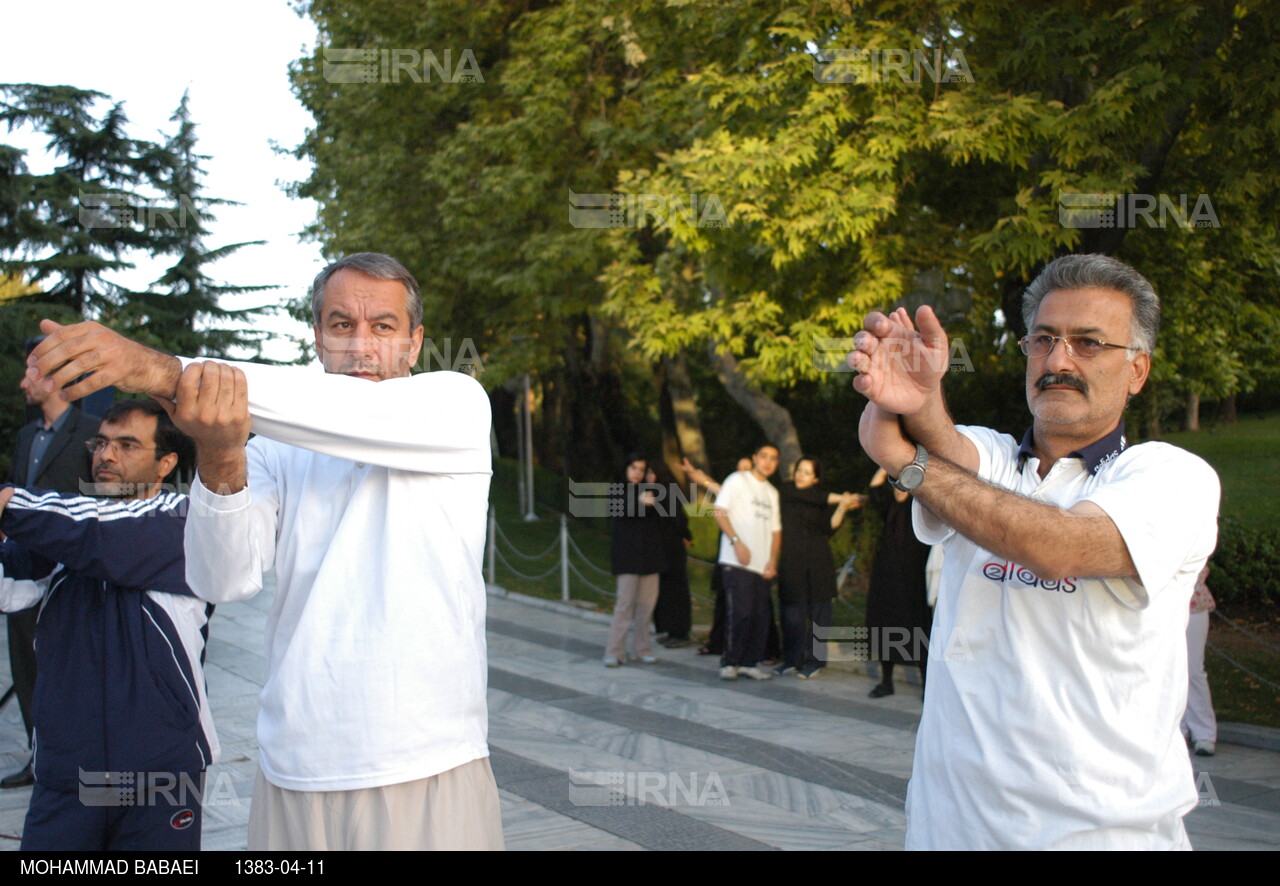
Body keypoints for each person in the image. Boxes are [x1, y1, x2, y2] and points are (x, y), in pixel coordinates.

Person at [24, 252, 503, 851]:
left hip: (425, 758)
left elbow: (357, 412)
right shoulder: (277, 449)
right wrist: (223, 454)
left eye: (383, 327)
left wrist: (162, 370)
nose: (360, 346)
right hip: (292, 764)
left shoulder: (455, 404)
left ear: (414, 344)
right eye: (340, 325)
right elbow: (221, 579)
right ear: (318, 339)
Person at [850, 253, 1219, 850]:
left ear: (1138, 370)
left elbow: (1060, 547)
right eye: (1043, 340)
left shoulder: (1171, 477)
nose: (1059, 360)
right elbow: (947, 444)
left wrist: (908, 464)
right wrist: (918, 402)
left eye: (1089, 343)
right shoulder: (993, 458)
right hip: (948, 831)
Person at [0, 400, 216, 850]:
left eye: (126, 445)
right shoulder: (68, 526)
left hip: (161, 775)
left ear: (166, 462)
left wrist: (9, 502)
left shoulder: (185, 523)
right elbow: (11, 586)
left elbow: (102, 536)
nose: (106, 456)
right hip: (66, 774)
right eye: (100, 443)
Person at [1, 352, 101, 790]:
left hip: (69, 572)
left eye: (32, 374)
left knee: (72, 667)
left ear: (56, 380)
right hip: (23, 568)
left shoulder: (92, 434)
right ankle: (38, 758)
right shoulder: (27, 435)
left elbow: (100, 501)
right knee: (26, 666)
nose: (24, 383)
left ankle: (75, 758)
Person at [776, 457, 860, 678]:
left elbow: (828, 528)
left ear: (815, 478)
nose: (800, 475)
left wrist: (842, 507)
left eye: (806, 472)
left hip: (818, 563)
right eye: (799, 470)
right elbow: (809, 495)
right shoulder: (786, 491)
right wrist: (842, 498)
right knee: (791, 616)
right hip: (791, 563)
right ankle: (791, 659)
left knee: (818, 616)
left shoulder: (822, 501)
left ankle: (815, 661)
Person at [712, 443, 782, 681]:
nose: (768, 462)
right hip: (736, 560)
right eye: (763, 456)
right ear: (754, 458)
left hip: (761, 566)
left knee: (760, 617)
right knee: (739, 614)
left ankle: (750, 662)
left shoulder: (772, 493)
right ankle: (730, 661)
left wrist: (772, 560)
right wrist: (736, 542)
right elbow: (719, 511)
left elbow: (775, 531)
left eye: (773, 458)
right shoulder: (737, 480)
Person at [863, 467, 932, 697]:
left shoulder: (920, 508)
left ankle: (926, 685)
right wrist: (886, 465)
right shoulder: (889, 507)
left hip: (913, 578)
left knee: (919, 627)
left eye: (905, 482)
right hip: (887, 577)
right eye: (897, 482)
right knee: (886, 625)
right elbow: (874, 488)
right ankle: (886, 681)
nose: (900, 487)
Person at [604, 454, 669, 667]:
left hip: (650, 558)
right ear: (626, 468)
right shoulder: (618, 489)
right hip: (627, 558)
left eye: (642, 469)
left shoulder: (653, 491)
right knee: (624, 606)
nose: (637, 473)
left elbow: (664, 516)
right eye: (633, 468)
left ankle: (642, 649)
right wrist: (638, 501)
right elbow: (617, 510)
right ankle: (614, 651)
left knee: (646, 607)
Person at [648, 460, 694, 648]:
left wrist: (685, 535)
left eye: (651, 473)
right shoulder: (652, 491)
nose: (648, 476)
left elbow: (678, 518)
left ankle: (680, 632)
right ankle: (669, 629)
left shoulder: (667, 490)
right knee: (664, 590)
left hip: (671, 548)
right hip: (660, 547)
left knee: (676, 589)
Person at [1183, 564, 1217, 756]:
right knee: (1168, 669)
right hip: (1162, 606)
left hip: (1194, 605)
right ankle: (1179, 727)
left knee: (1194, 669)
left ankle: (1204, 731)